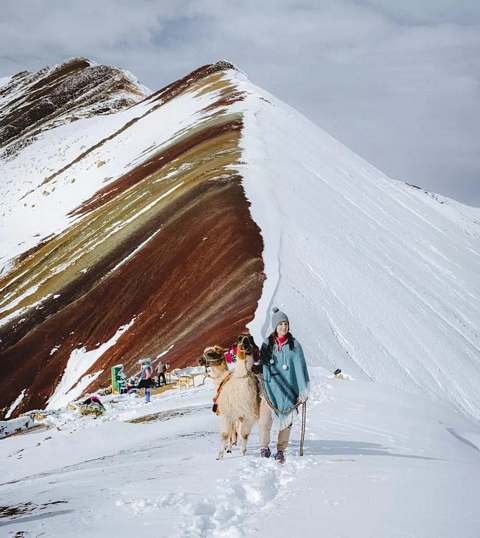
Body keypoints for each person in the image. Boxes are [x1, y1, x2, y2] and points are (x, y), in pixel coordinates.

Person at [253, 307, 310, 463]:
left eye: (285, 324)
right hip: (269, 388)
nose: (283, 327)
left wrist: (303, 390)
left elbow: (300, 368)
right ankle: (264, 447)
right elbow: (263, 365)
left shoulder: (295, 346)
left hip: (287, 391)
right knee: (264, 421)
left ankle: (280, 450)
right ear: (275, 326)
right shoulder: (267, 344)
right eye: (280, 324)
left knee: (286, 422)